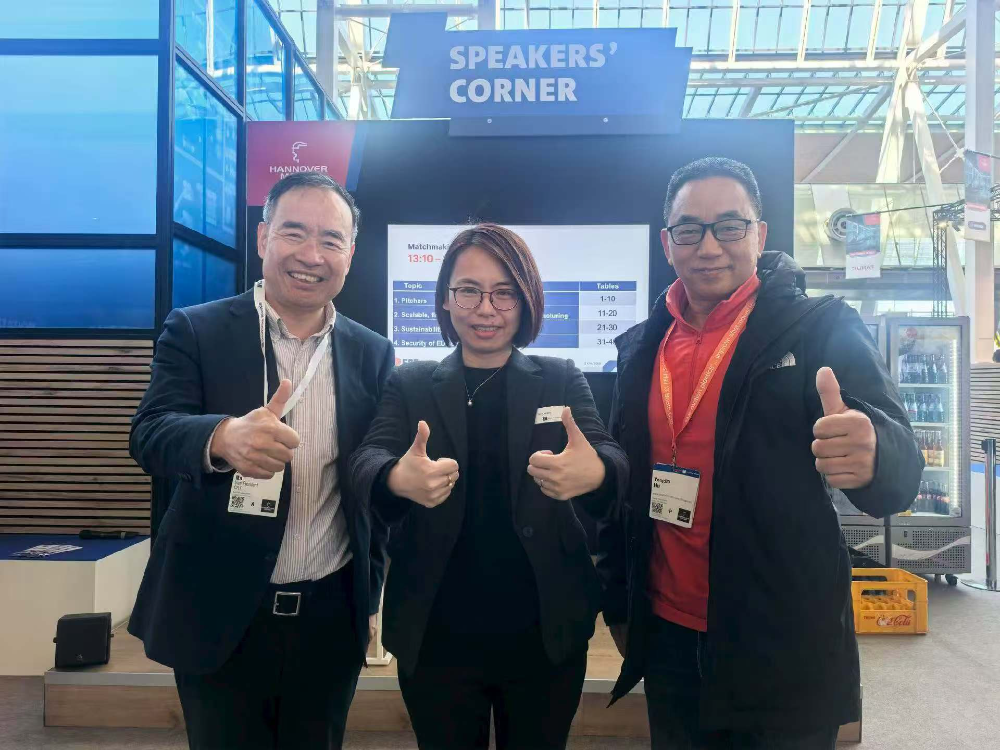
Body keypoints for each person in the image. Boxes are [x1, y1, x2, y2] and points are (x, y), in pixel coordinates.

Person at [597, 157, 924, 750]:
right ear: (668, 243)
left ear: (760, 234)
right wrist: (621, 603)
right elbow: (629, 487)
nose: (709, 247)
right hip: (669, 637)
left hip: (780, 641)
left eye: (729, 225)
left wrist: (877, 451)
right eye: (689, 230)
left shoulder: (820, 328)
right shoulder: (643, 346)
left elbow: (899, 468)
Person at [128, 172, 394, 749]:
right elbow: (149, 433)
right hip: (219, 611)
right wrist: (221, 437)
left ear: (350, 254)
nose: (311, 255)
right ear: (262, 237)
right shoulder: (197, 330)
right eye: (294, 232)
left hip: (330, 617)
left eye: (331, 239)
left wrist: (369, 593)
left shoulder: (372, 352)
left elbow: (366, 480)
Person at [350, 223, 629, 750]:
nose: (486, 308)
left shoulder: (560, 377)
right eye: (469, 291)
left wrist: (595, 472)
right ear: (446, 299)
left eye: (504, 293)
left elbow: (610, 457)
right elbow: (367, 460)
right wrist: (395, 477)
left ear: (526, 300)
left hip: (544, 631)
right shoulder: (410, 383)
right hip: (437, 634)